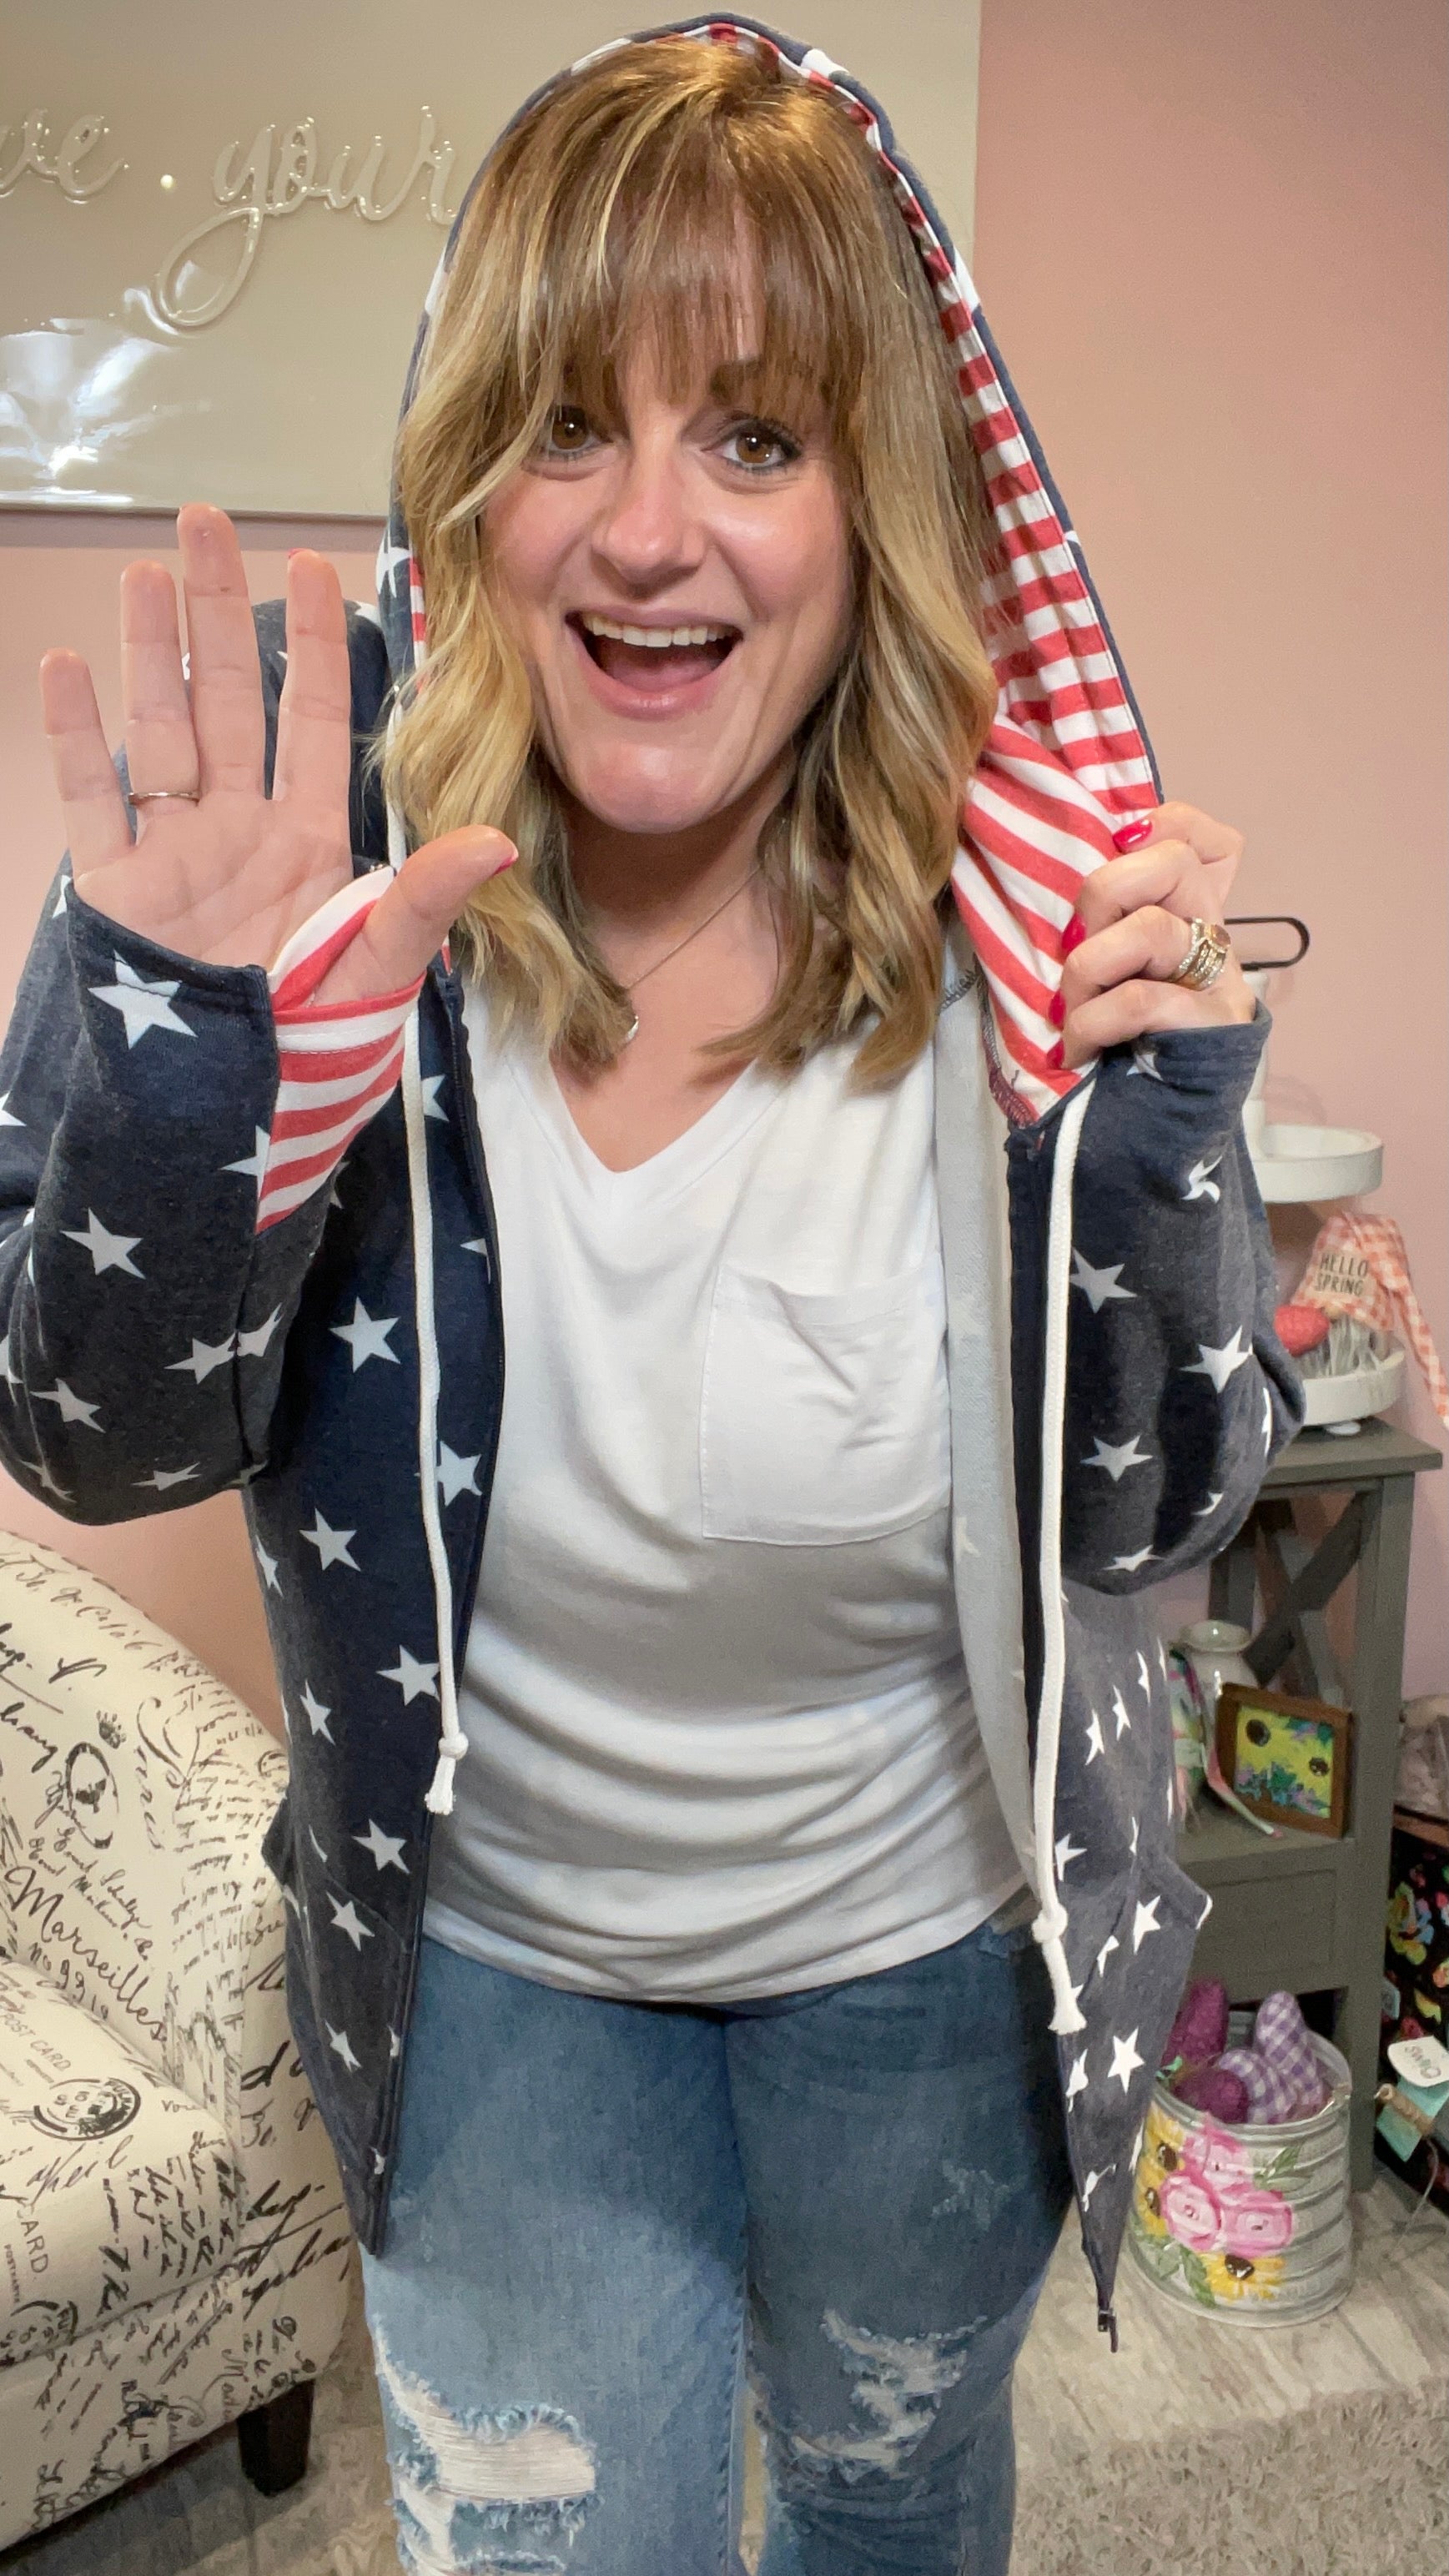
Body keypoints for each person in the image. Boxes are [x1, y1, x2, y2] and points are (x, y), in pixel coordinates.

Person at [0, 24, 1300, 2574]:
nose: (645, 532)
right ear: (469, 466)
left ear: (872, 498)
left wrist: (1143, 1169)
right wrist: (175, 1058)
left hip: (927, 1955)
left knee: (891, 2502)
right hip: (495, 1973)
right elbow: (91, 1439)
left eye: (755, 437)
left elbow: (1159, 1511)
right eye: (569, 424)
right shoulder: (302, 877)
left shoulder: (1025, 922)